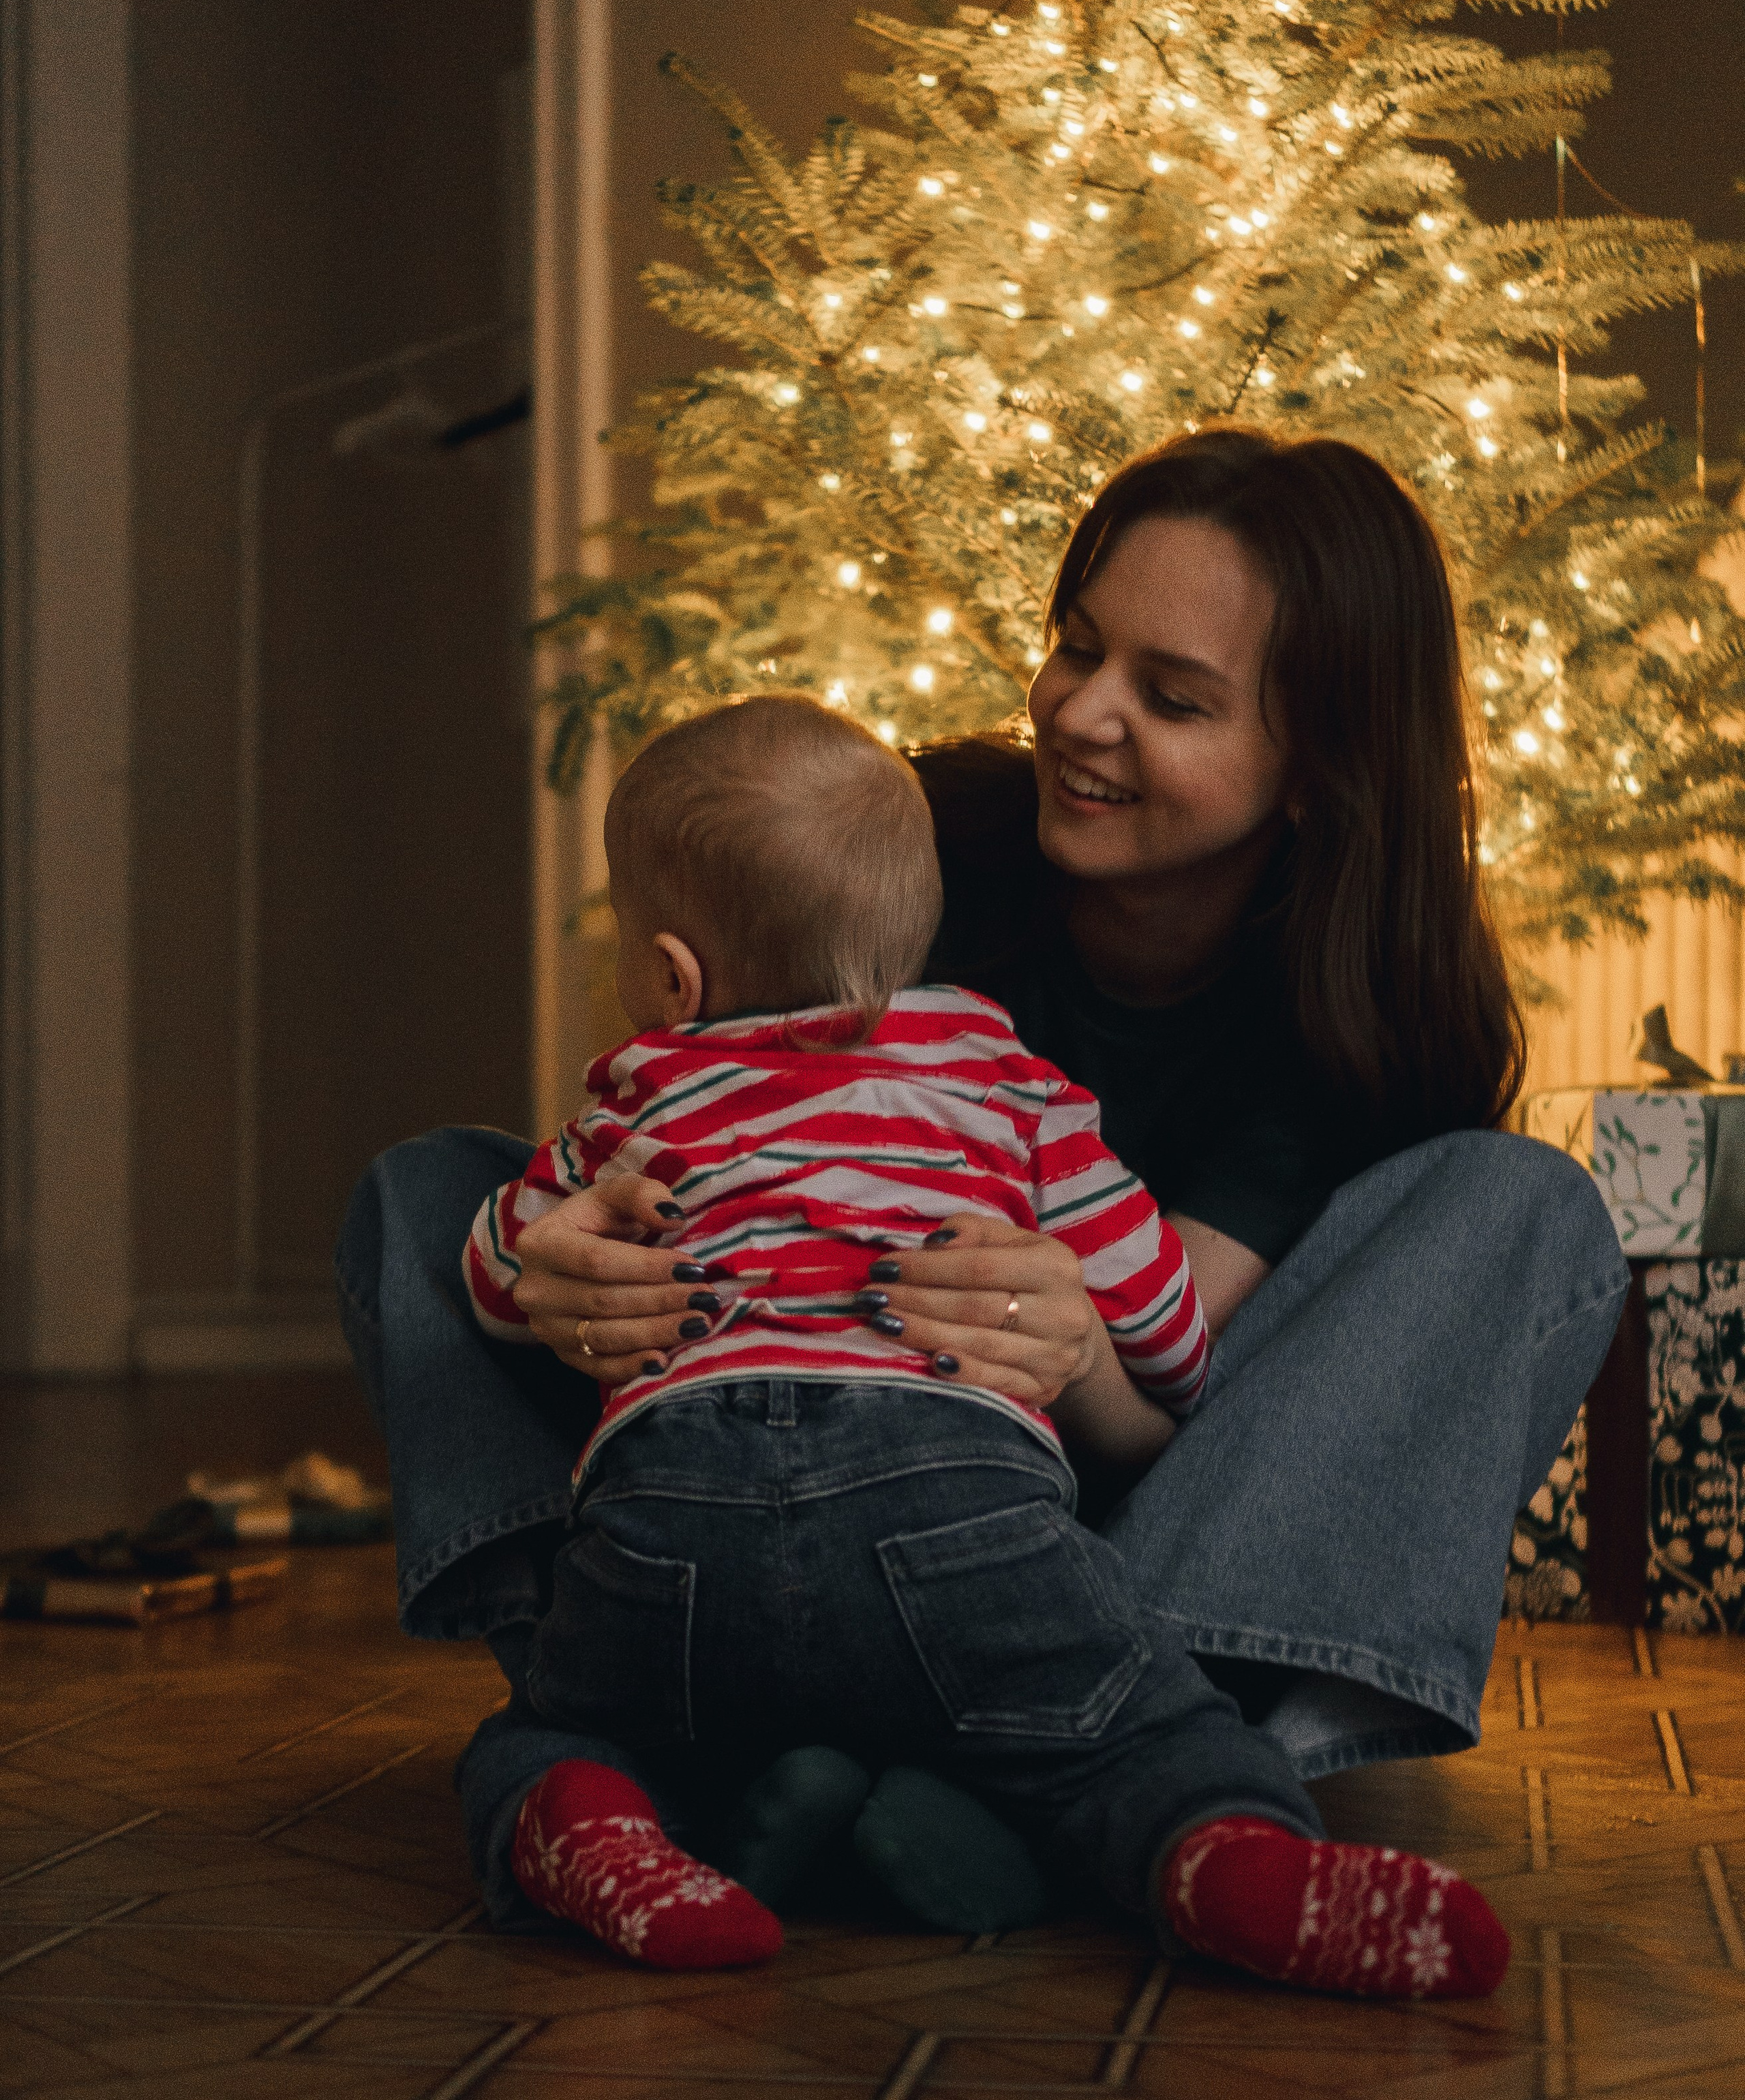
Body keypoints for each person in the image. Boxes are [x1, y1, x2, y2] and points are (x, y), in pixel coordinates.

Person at [335, 427, 1626, 1943]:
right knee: (427, 1199)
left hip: (1093, 1538)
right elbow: (688, 1109)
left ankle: (1049, 1754)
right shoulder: (921, 841)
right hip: (731, 1500)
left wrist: (1068, 1343)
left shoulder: (1345, 1011)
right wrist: (564, 1262)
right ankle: (695, 1725)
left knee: (1525, 1208)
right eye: (1075, 648)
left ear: (1316, 763)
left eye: (1172, 695)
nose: (1079, 714)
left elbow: (1172, 1404)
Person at [444, 692, 1511, 2000]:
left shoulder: (639, 1092)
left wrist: (522, 1262)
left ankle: (598, 1823)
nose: (1094, 707)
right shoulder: (1010, 1078)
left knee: (555, 1727)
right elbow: (1168, 1324)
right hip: (954, 1513)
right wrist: (1121, 1362)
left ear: (675, 974)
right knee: (1148, 1734)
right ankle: (1226, 1858)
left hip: (670, 1517)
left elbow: (508, 1265)